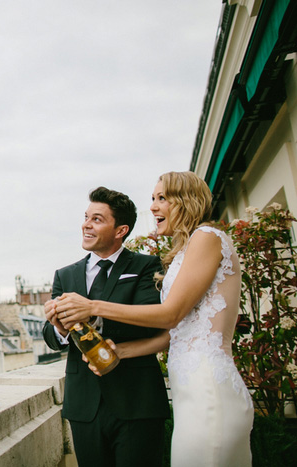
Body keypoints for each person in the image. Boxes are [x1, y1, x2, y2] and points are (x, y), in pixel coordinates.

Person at [57, 171, 253, 466]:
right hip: (188, 386)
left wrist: (92, 307)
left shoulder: (207, 237)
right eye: (153, 198)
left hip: (207, 384)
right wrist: (121, 351)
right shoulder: (184, 251)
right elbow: (178, 332)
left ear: (186, 201)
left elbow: (170, 315)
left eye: (162, 198)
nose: (152, 207)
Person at [42, 186, 170, 467]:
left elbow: (150, 322)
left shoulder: (147, 266)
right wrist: (61, 328)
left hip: (138, 402)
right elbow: (51, 337)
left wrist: (91, 317)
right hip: (83, 405)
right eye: (86, 217)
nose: (86, 225)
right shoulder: (65, 275)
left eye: (97, 219)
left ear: (121, 230)